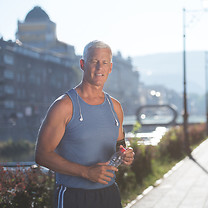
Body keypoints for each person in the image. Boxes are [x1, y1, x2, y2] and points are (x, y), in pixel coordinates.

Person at [35, 40, 134, 208]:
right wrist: (86, 172)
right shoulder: (64, 106)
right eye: (94, 61)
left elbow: (119, 145)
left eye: (104, 63)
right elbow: (42, 155)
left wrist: (125, 154)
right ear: (82, 64)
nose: (99, 68)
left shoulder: (115, 107)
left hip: (109, 194)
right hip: (73, 196)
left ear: (110, 68)